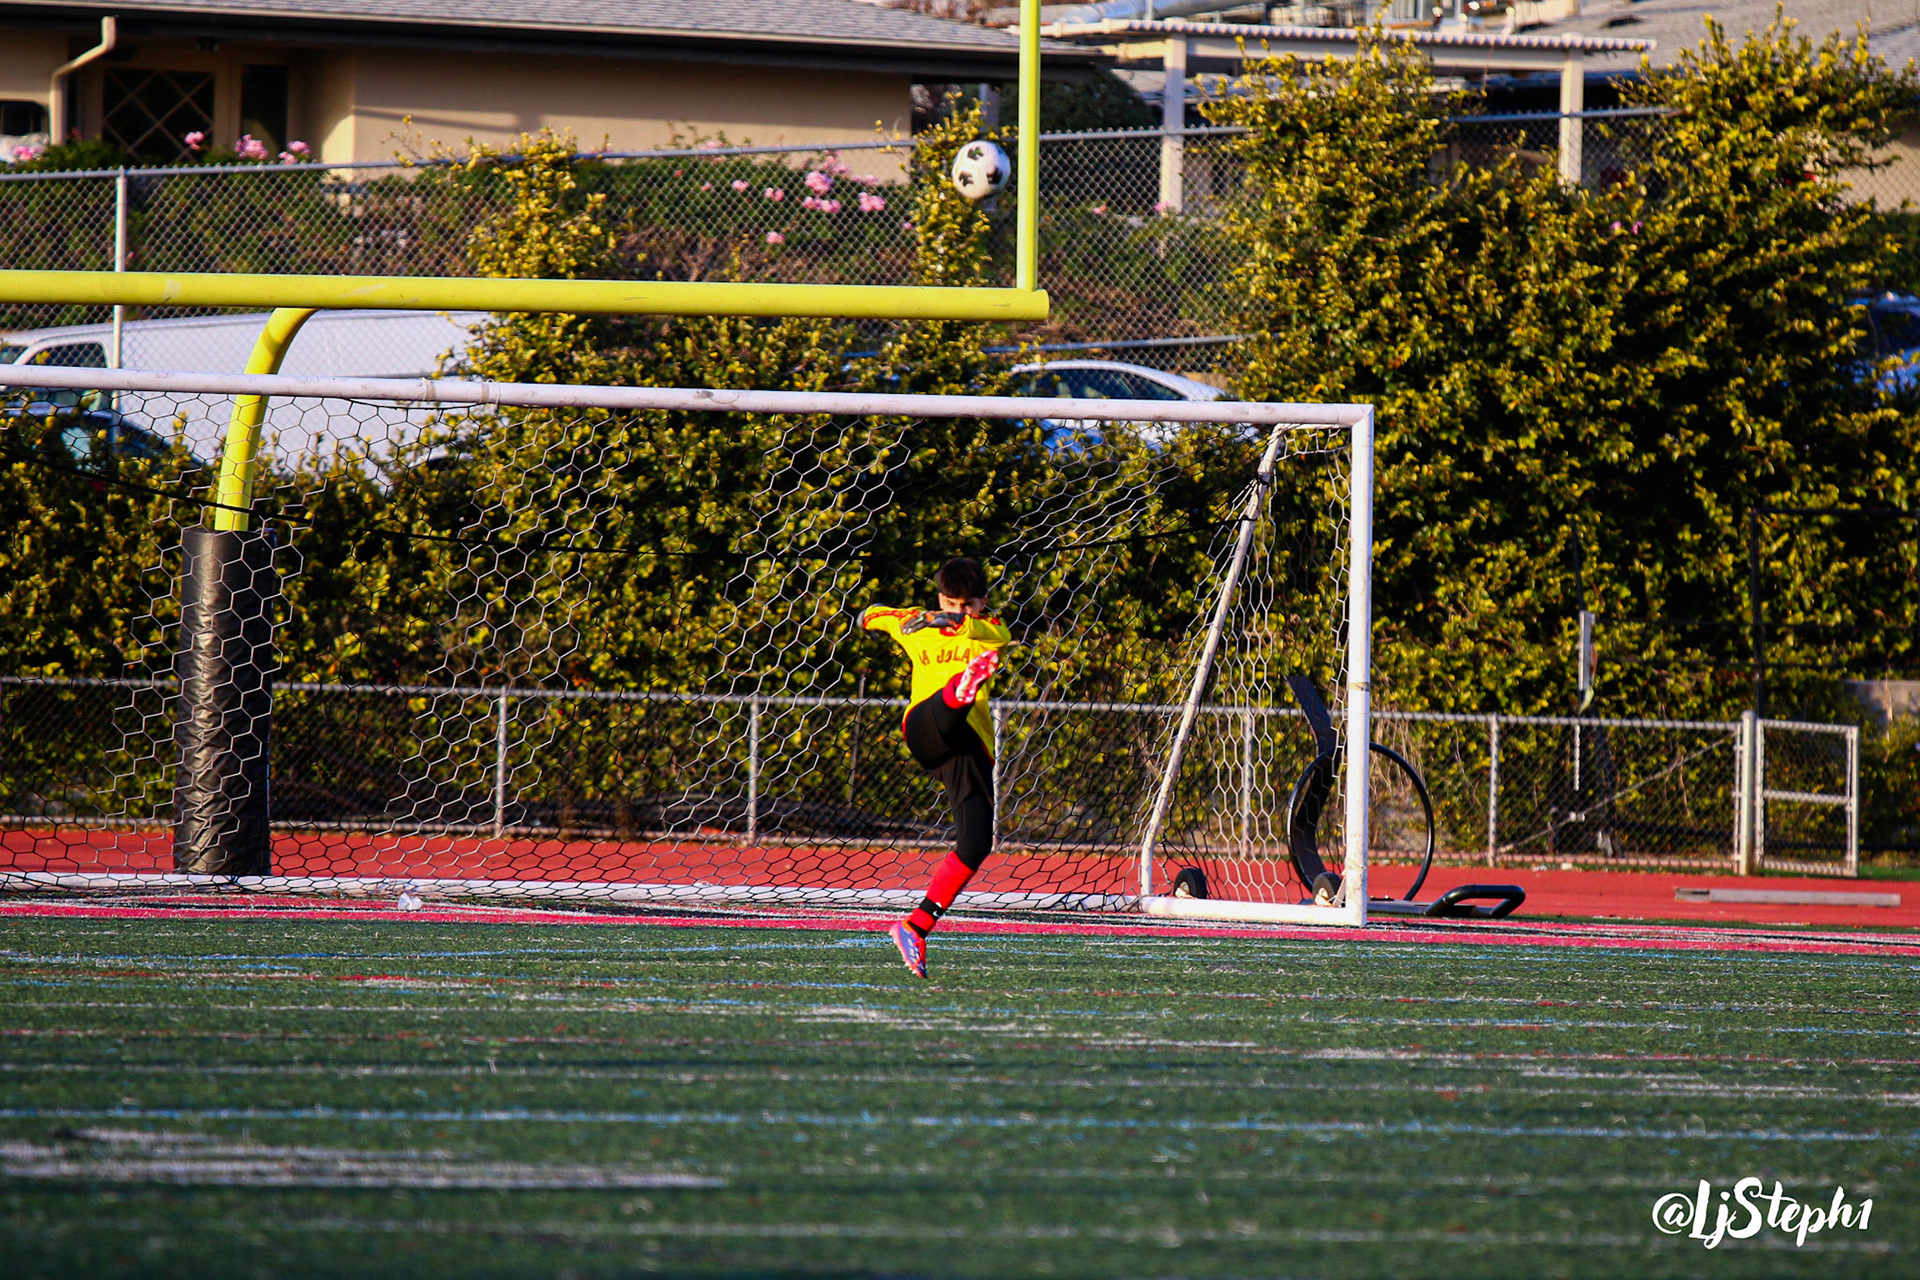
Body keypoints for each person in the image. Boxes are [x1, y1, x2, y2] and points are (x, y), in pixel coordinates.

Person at [859, 556, 1009, 978]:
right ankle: (960, 689)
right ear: (940, 597)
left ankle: (915, 927)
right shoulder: (917, 622)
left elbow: (998, 633)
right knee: (943, 707)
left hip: (969, 746)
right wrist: (900, 617)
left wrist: (947, 619)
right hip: (925, 728)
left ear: (982, 602)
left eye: (969, 605)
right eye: (952, 604)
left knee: (976, 843)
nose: (961, 611)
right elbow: (868, 615)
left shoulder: (989, 628)